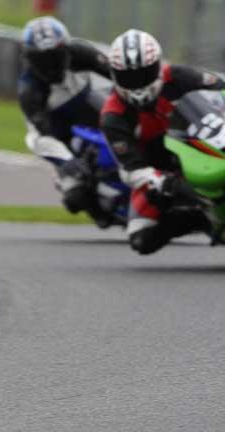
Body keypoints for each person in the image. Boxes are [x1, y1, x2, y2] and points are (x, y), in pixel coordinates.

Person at [101, 29, 225, 254]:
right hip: (159, 170)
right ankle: (202, 219)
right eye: (129, 78)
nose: (137, 84)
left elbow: (221, 87)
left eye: (144, 74)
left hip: (201, 145)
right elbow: (129, 169)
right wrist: (163, 182)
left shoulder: (178, 76)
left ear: (158, 66)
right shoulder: (113, 116)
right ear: (115, 75)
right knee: (141, 238)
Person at [18, 16, 116, 226]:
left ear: (65, 49)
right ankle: (102, 211)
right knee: (75, 198)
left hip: (90, 106)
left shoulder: (80, 52)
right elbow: (41, 135)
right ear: (30, 60)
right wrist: (67, 160)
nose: (49, 65)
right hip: (58, 133)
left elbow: (117, 73)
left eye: (55, 57)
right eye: (42, 60)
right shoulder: (30, 91)